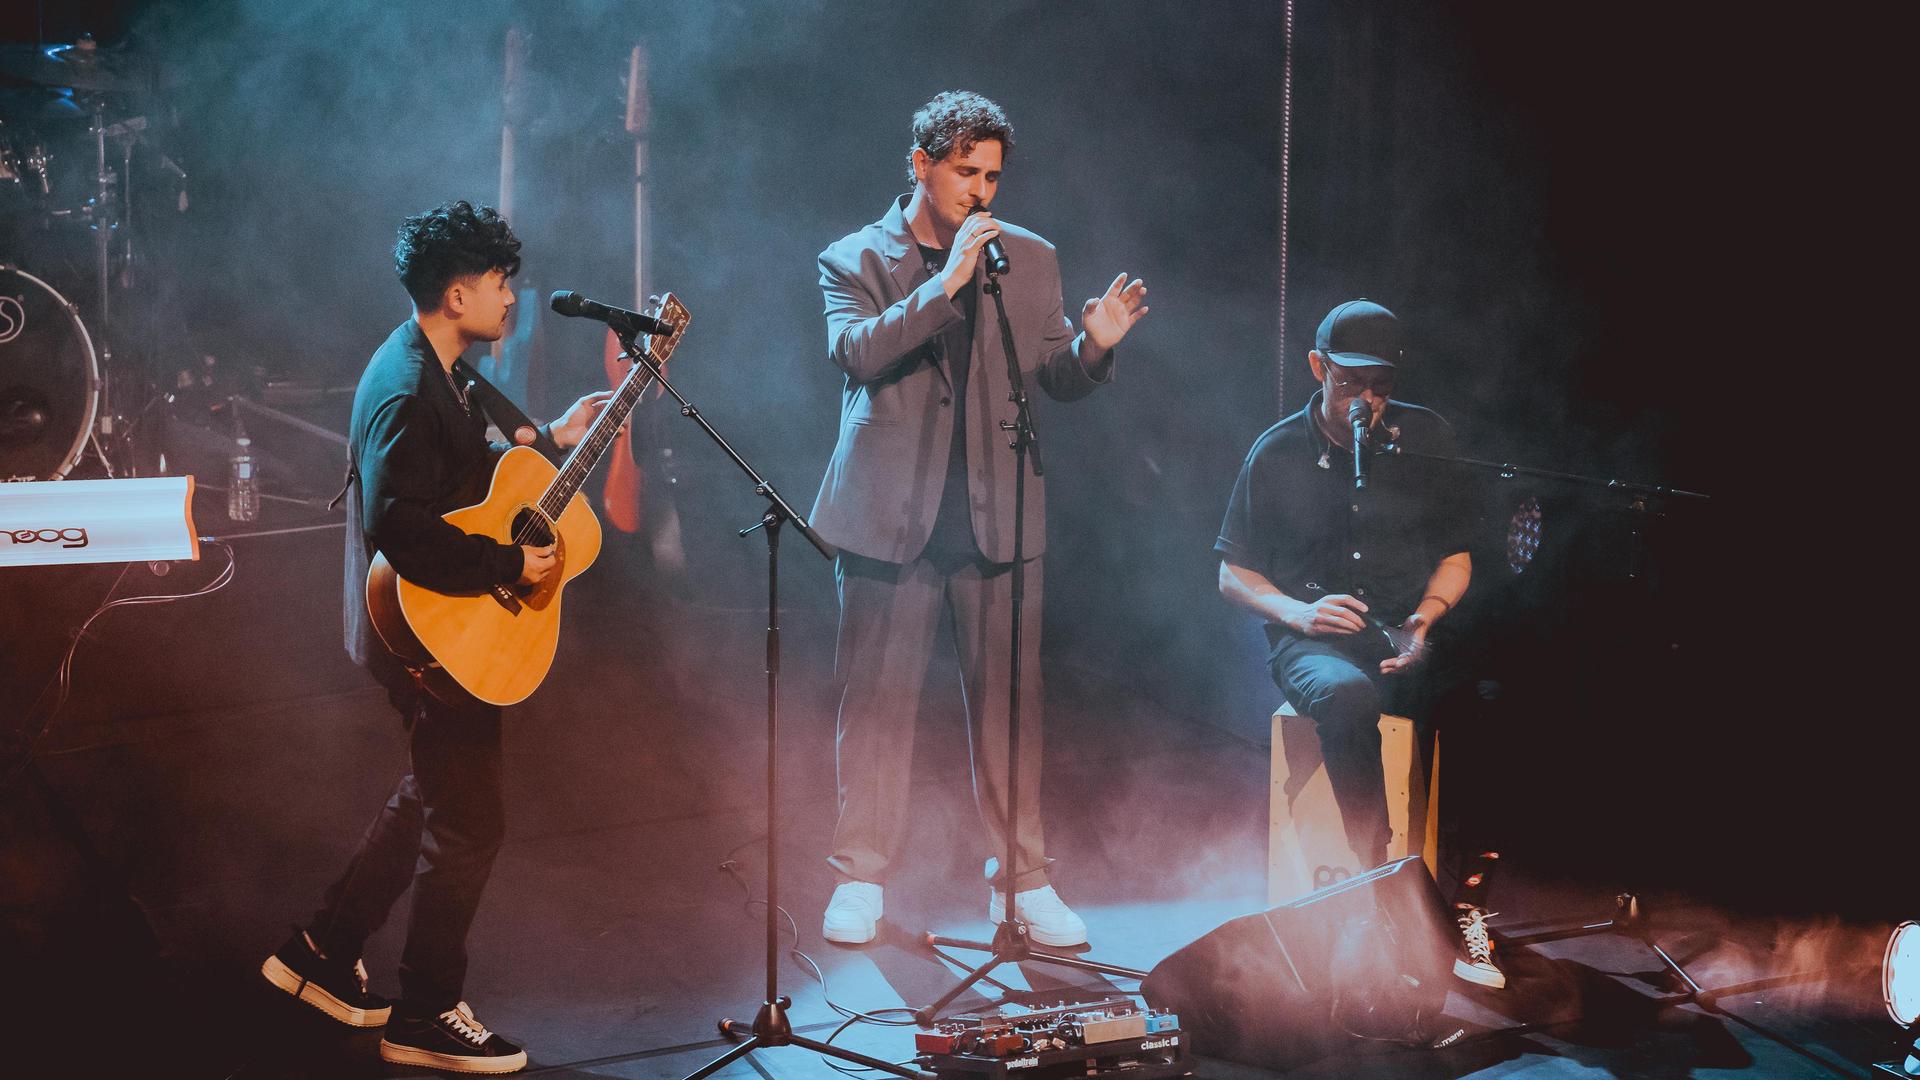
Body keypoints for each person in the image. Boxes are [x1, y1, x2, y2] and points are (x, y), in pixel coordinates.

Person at [260, 201, 616, 1072]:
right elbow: (397, 523)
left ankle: (318, 952)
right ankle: (423, 1014)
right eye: (502, 286)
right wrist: (506, 563)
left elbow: (481, 444)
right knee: (469, 824)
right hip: (423, 628)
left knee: (430, 791)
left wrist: (550, 436)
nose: (512, 299)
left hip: (430, 623)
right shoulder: (405, 386)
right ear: (458, 295)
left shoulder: (443, 362)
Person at [810, 91, 1148, 946]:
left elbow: (1056, 379)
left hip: (999, 511)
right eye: (966, 172)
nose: (982, 192)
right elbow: (856, 352)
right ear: (919, 165)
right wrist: (948, 282)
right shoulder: (854, 257)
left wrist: (1095, 347)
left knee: (1011, 707)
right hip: (890, 512)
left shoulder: (1030, 257)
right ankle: (861, 878)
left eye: (993, 175)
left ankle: (1021, 881)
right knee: (876, 704)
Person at [1214, 299, 1503, 989]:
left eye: (1381, 386)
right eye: (1350, 383)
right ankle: (1376, 891)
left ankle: (1466, 905)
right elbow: (1231, 571)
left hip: (1406, 628)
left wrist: (1427, 618)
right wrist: (1298, 612)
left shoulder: (1428, 437)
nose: (1366, 401)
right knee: (1346, 698)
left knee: (1483, 702)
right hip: (1313, 638)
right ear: (1318, 369)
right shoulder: (1276, 450)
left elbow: (1458, 556)